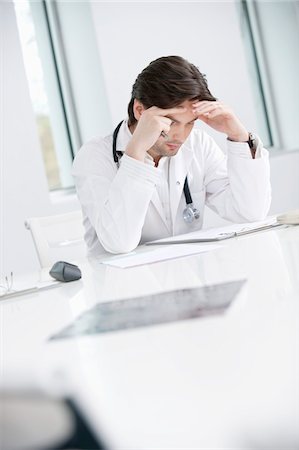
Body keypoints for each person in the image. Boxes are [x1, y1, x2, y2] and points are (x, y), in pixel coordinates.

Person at [72, 56, 271, 255]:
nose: (180, 135)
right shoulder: (95, 156)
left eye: (190, 122)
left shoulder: (198, 144)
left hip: (188, 273)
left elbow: (251, 213)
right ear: (140, 110)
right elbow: (119, 243)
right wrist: (137, 151)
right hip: (121, 281)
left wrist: (239, 137)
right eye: (171, 121)